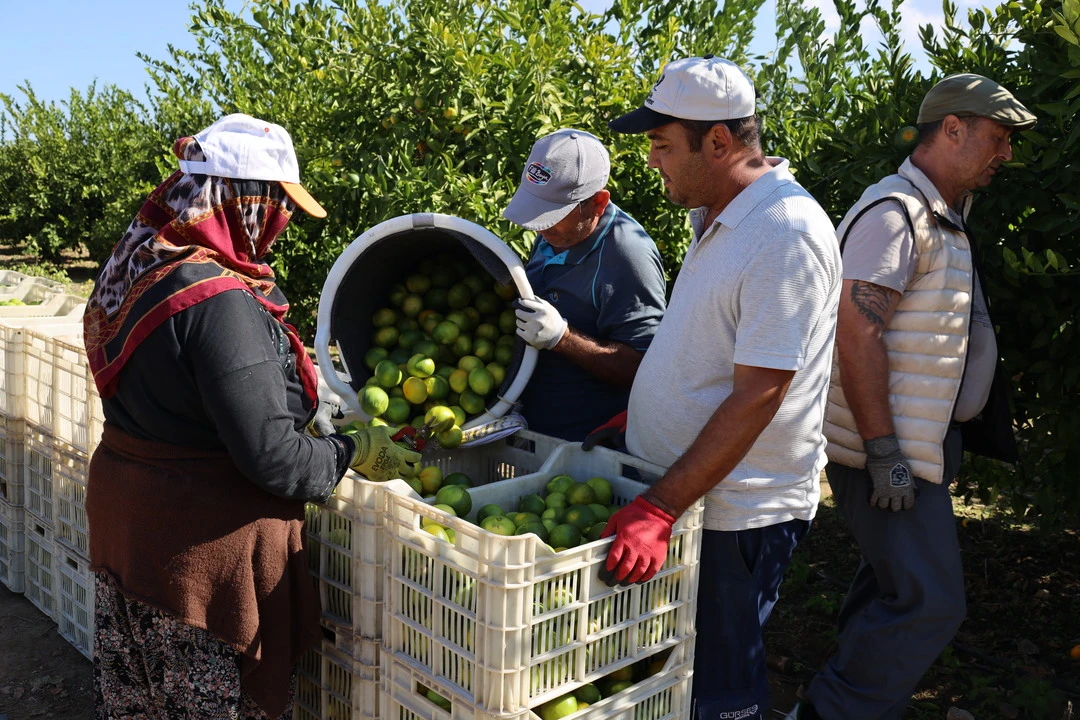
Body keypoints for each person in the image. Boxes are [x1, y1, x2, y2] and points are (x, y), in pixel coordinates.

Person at [82, 113, 421, 720]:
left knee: (146, 701)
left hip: (129, 522)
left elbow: (194, 393)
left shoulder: (143, 265)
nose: (282, 223)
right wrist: (351, 451)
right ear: (246, 201)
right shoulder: (218, 300)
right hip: (191, 554)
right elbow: (276, 459)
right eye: (279, 206)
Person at [595, 56, 842, 720]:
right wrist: (646, 410)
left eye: (662, 144)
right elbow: (710, 342)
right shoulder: (718, 216)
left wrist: (658, 508)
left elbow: (761, 392)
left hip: (739, 513)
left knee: (721, 689)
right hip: (694, 495)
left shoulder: (784, 233)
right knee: (680, 676)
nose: (652, 160)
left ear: (719, 141)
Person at [790, 74, 1032, 720]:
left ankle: (860, 704)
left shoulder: (939, 215)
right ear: (952, 129)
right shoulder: (895, 214)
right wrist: (884, 452)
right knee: (930, 602)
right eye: (998, 137)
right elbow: (857, 330)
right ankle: (829, 712)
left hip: (918, 443)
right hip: (889, 452)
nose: (1006, 153)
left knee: (890, 589)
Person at [502, 128, 667, 440]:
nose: (540, 227)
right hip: (530, 434)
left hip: (583, 448)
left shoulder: (627, 256)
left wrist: (562, 338)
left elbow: (642, 368)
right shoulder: (556, 232)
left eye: (552, 214)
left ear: (598, 203)